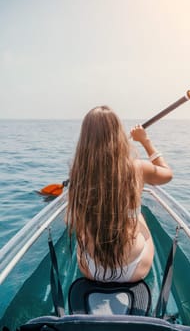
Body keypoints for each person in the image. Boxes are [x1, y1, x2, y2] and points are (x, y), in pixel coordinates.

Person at [66, 105, 173, 283]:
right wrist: (145, 141)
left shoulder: (79, 173)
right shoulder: (137, 168)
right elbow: (167, 174)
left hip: (90, 270)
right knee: (138, 217)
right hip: (135, 269)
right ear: (118, 135)